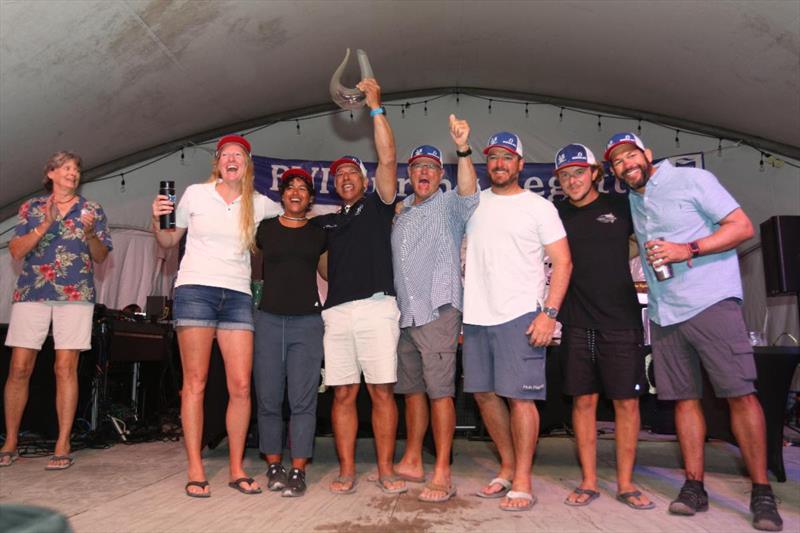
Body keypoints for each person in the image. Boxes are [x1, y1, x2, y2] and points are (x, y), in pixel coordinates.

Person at [606, 132, 782, 531]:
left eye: (631, 155)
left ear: (647, 154)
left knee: (739, 395)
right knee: (684, 400)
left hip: (712, 303)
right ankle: (694, 485)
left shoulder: (692, 180)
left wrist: (690, 249)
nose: (626, 164)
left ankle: (761, 490)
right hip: (667, 313)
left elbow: (741, 227)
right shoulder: (635, 201)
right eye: (617, 162)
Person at [152, 134, 280, 498]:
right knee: (196, 382)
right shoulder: (195, 194)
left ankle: (237, 467)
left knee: (240, 385)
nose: (232, 159)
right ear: (218, 163)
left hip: (238, 295)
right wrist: (156, 218)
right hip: (195, 291)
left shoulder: (257, 203)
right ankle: (195, 466)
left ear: (247, 164)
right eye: (226, 154)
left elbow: (298, 207)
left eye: (239, 154)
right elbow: (166, 241)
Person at [462, 132, 572, 511]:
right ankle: (507, 467)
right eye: (493, 157)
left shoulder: (539, 207)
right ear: (485, 163)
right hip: (476, 316)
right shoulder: (473, 204)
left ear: (520, 165)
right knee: (484, 395)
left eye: (508, 158)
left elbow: (563, 262)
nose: (500, 164)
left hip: (521, 315)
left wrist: (549, 313)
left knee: (521, 399)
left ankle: (523, 477)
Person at [311, 78, 403, 495]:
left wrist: (376, 107)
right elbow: (324, 270)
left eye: (352, 172)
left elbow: (387, 158)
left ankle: (385, 470)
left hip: (377, 307)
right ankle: (347, 470)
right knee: (343, 394)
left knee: (381, 392)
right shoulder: (326, 222)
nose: (345, 177)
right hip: (336, 313)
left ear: (363, 180)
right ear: (333, 185)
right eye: (339, 175)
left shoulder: (378, 205)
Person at [553, 143, 653, 510]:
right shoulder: (555, 213)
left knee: (627, 403)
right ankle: (589, 481)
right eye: (565, 175)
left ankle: (626, 483)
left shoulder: (621, 205)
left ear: (596, 172)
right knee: (583, 402)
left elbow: (649, 239)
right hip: (577, 322)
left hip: (622, 321)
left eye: (579, 172)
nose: (572, 180)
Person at [1, 151, 112, 470]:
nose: (73, 174)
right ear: (50, 173)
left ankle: (63, 442)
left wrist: (90, 234)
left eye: (77, 169)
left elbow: (102, 256)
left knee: (66, 367)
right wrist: (45, 224)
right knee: (19, 367)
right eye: (66, 169)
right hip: (32, 291)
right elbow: (16, 250)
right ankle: (10, 440)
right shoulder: (32, 208)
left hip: (76, 293)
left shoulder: (91, 209)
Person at [391, 116, 479, 503]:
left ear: (439, 173)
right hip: (406, 314)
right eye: (417, 167)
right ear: (409, 174)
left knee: (440, 393)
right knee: (412, 391)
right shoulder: (402, 211)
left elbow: (469, 190)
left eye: (430, 167)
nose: (423, 172)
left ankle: (442, 469)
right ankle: (413, 458)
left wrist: (462, 148)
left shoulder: (450, 205)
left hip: (439, 310)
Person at [253, 168, 327, 498]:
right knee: (268, 397)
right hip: (268, 320)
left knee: (303, 400)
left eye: (302, 188)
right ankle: (273, 464)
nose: (295, 192)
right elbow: (251, 266)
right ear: (281, 195)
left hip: (307, 323)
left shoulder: (319, 233)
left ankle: (298, 468)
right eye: (290, 187)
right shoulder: (264, 229)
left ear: (310, 198)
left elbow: (329, 271)